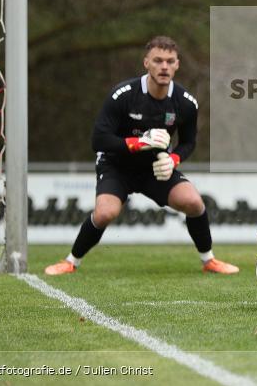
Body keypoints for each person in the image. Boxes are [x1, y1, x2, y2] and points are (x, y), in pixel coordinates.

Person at [45, 36, 239, 275]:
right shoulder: (123, 95)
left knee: (194, 202)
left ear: (177, 64)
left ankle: (209, 260)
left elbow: (188, 142)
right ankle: (71, 261)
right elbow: (99, 140)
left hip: (154, 169)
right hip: (116, 165)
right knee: (106, 213)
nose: (164, 67)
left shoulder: (186, 103)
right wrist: (138, 143)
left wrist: (173, 159)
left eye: (170, 61)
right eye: (158, 60)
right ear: (146, 63)